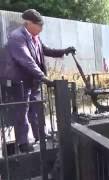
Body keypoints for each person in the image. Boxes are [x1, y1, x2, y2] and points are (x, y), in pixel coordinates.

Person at [3, 9, 76, 152]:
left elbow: (46, 50)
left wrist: (64, 51)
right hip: (20, 82)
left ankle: (41, 137)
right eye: (39, 25)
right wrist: (43, 77)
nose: (41, 28)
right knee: (22, 111)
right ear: (29, 23)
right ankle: (23, 144)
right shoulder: (16, 37)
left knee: (37, 111)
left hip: (33, 80)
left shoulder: (34, 37)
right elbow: (27, 60)